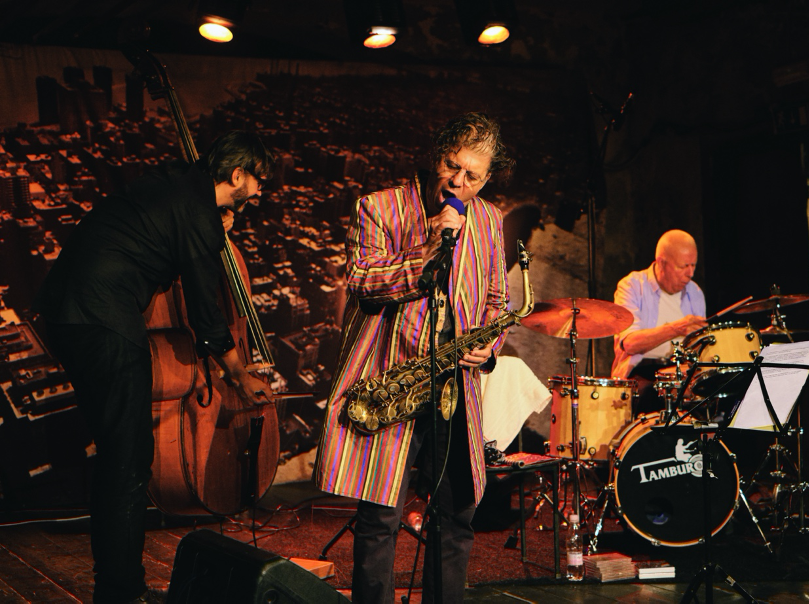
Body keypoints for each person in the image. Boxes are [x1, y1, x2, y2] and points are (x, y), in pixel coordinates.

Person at [34, 131, 276, 603]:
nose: (261, 190)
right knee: (128, 461)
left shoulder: (177, 185)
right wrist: (237, 372)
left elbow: (164, 237)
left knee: (117, 454)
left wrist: (215, 228)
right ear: (237, 175)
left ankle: (117, 584)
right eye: (259, 180)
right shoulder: (198, 212)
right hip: (102, 317)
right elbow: (205, 310)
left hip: (66, 311)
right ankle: (121, 593)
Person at [314, 113, 515, 604]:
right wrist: (427, 247)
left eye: (473, 176)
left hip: (454, 387)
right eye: (452, 166)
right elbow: (363, 283)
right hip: (393, 381)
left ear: (487, 179)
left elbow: (498, 300)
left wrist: (490, 346)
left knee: (457, 513)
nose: (458, 182)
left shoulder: (489, 219)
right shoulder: (379, 207)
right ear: (436, 155)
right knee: (379, 518)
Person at [612, 229, 707, 412]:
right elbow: (630, 343)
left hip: (680, 374)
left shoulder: (695, 292)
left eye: (693, 265)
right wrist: (676, 329)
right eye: (683, 266)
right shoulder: (632, 286)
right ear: (661, 263)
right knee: (651, 395)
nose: (690, 273)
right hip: (641, 373)